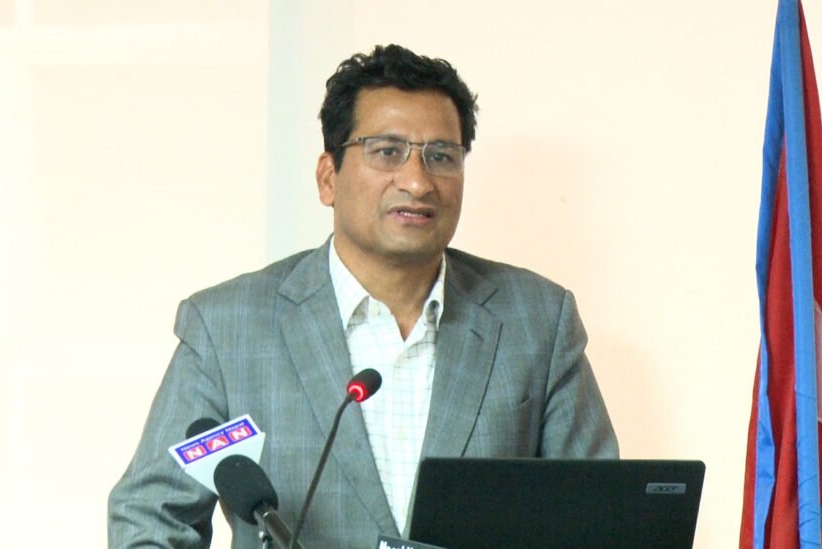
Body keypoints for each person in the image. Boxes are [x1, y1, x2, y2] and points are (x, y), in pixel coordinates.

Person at [108, 43, 619, 548]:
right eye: (387, 152)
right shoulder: (229, 329)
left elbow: (601, 521)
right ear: (328, 178)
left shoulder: (536, 321)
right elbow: (149, 522)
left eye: (441, 156)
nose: (417, 182)